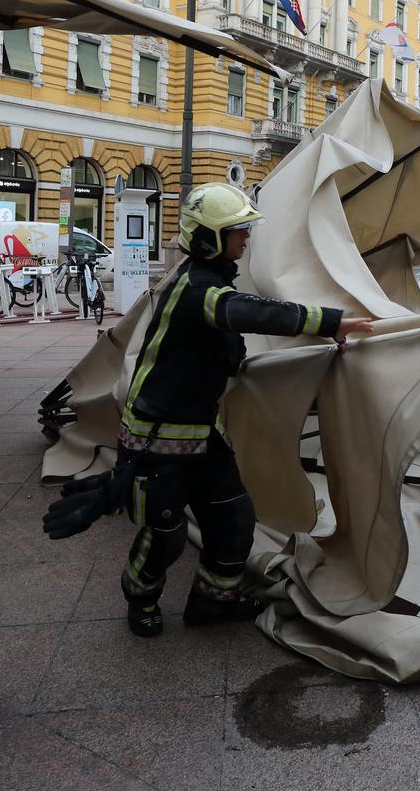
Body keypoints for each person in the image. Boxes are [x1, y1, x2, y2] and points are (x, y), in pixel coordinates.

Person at [116, 183, 373, 637]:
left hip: (200, 430)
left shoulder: (207, 280)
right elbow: (253, 313)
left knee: (234, 519)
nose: (246, 238)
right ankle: (140, 596)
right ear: (208, 238)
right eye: (237, 230)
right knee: (166, 534)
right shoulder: (199, 289)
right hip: (155, 439)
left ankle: (211, 602)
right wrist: (331, 322)